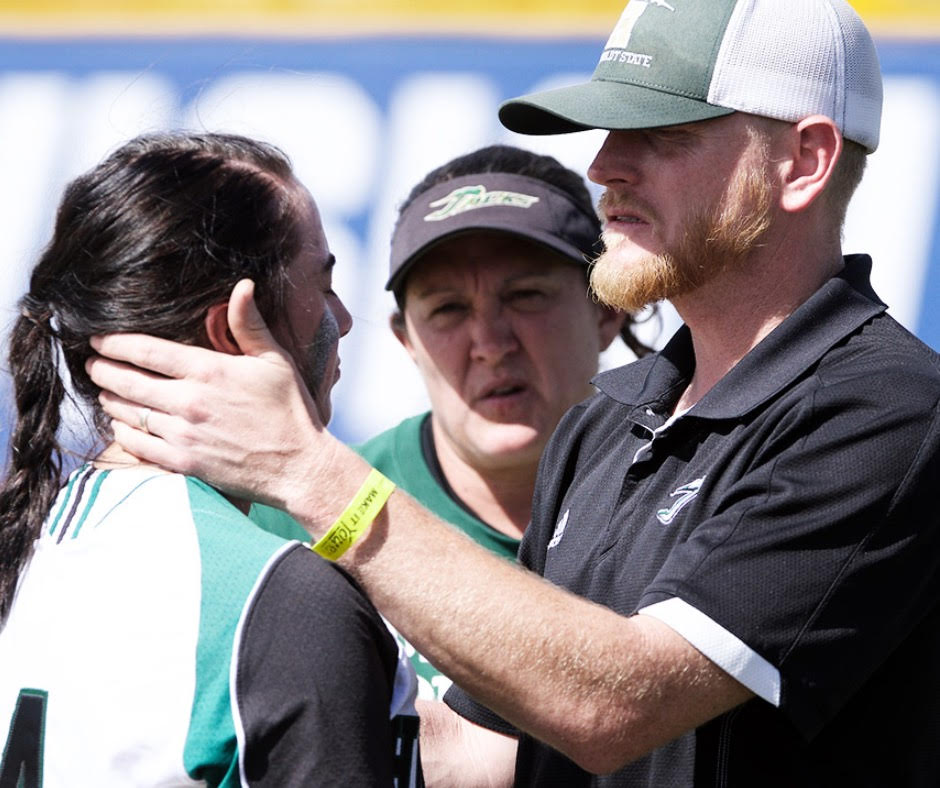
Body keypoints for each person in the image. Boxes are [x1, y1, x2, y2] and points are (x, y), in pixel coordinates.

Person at [85, 1, 940, 785]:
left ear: (805, 161)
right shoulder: (607, 417)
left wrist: (306, 474)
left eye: (664, 133)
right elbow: (486, 755)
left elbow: (615, 708)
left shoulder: (889, 410)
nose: (606, 166)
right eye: (608, 131)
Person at [0, 132, 422, 787]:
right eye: (324, 281)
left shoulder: (24, 543)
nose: (343, 315)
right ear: (234, 326)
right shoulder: (280, 602)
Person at [252, 144, 644, 701]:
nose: (490, 344)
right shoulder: (292, 525)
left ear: (607, 309)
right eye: (448, 310)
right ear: (406, 339)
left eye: (526, 296)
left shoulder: (693, 496)